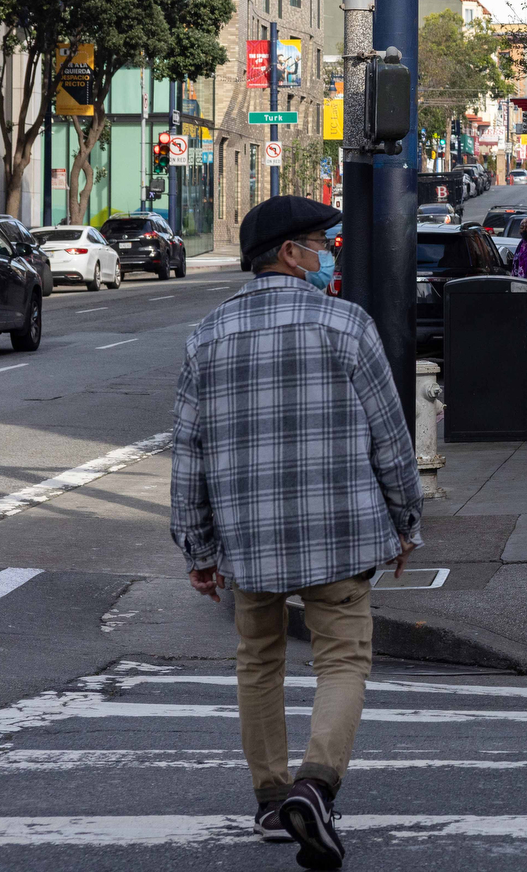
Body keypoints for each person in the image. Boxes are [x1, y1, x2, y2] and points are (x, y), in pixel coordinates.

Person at [169, 196, 422, 869]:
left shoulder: (207, 336)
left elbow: (187, 452)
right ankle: (317, 783)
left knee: (258, 660)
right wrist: (405, 521)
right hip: (341, 531)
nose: (325, 253)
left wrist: (197, 546)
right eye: (318, 242)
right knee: (342, 658)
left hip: (248, 538)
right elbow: (391, 439)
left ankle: (273, 798)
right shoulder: (347, 325)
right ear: (289, 254)